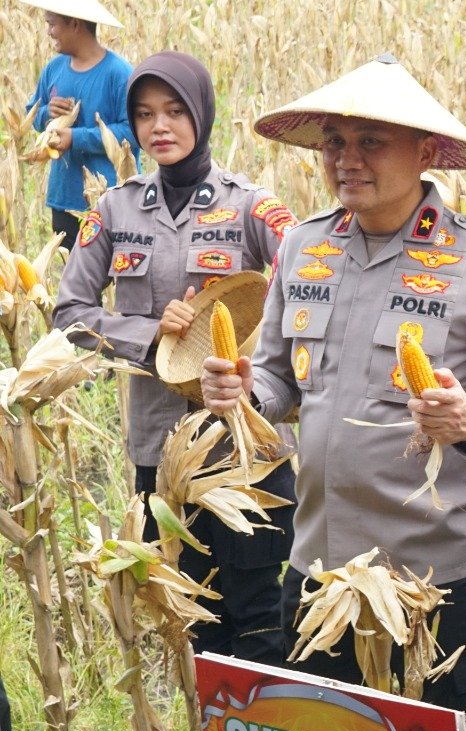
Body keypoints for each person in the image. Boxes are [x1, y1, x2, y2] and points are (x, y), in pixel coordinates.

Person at [201, 54, 466, 731]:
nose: (346, 158)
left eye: (371, 142)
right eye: (335, 142)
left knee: (452, 729)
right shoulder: (307, 249)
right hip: (319, 550)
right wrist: (244, 389)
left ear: (424, 150)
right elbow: (284, 383)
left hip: (434, 561)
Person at [53, 52, 298, 676]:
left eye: (174, 111)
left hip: (244, 445)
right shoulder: (114, 209)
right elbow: (71, 312)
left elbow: (311, 286)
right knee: (190, 608)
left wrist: (260, 354)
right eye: (143, 115)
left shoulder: (252, 206)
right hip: (160, 449)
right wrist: (145, 333)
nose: (158, 126)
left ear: (203, 113)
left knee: (258, 608)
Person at [21, 0, 134, 243]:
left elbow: (132, 133)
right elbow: (33, 114)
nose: (49, 32)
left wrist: (76, 138)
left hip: (110, 202)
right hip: (64, 199)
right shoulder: (54, 69)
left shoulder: (119, 74)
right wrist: (47, 115)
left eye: (52, 24)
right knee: (70, 278)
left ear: (74, 24)